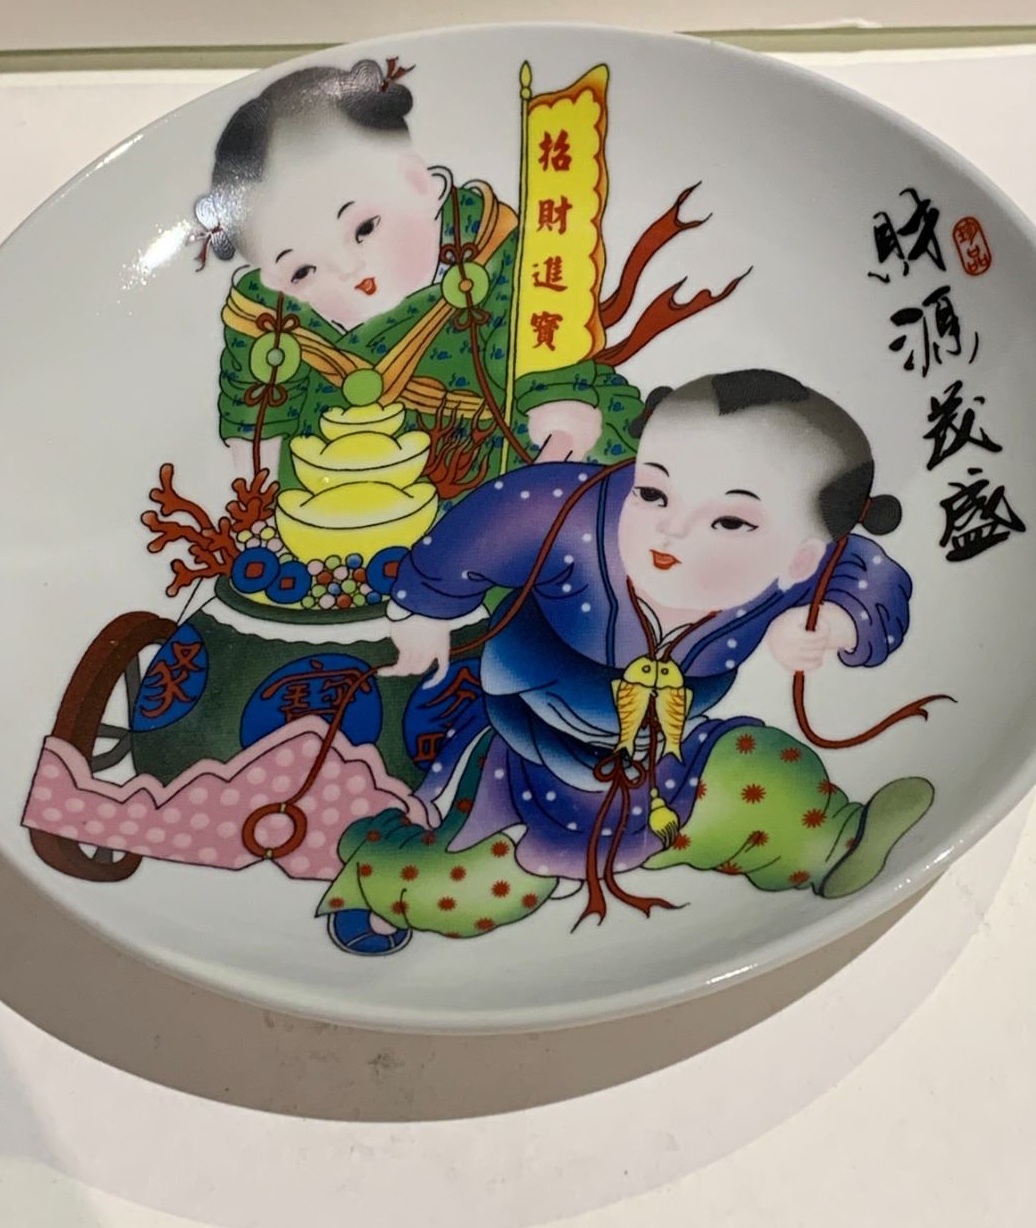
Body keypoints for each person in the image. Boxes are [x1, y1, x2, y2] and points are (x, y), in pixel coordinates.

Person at [318, 368, 934, 949]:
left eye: (729, 521)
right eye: (654, 492)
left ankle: (837, 845)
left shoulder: (803, 571)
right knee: (477, 883)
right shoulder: (578, 517)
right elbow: (498, 515)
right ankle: (377, 872)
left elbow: (871, 577)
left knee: (761, 775)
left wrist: (834, 622)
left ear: (801, 557)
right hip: (531, 749)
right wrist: (425, 609)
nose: (672, 531)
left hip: (669, 752)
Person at [192, 59, 643, 490]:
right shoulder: (264, 318)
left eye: (364, 228)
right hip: (335, 481)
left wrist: (556, 434)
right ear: (272, 280)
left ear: (420, 184)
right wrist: (255, 491)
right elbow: (258, 420)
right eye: (302, 270)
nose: (349, 269)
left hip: (488, 458)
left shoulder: (496, 254)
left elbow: (544, 361)